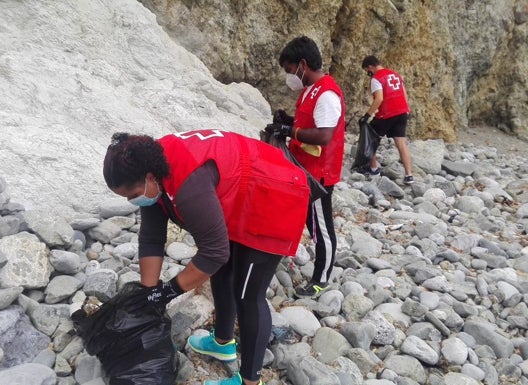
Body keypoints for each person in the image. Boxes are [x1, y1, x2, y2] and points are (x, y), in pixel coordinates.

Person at [102, 129, 309, 385]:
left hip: (274, 195)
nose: (134, 201)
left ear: (148, 178)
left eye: (133, 195)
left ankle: (250, 382)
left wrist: (167, 292)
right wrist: (148, 293)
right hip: (240, 193)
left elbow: (214, 252)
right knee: (222, 272)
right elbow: (151, 239)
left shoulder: (188, 182)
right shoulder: (153, 171)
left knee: (248, 294)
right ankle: (222, 343)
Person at [264, 36, 346, 299]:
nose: (290, 76)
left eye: (290, 70)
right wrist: (287, 120)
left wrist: (289, 130)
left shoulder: (327, 94)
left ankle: (321, 278)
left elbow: (323, 135)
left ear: (302, 64)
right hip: (303, 167)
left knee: (320, 226)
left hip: (319, 173)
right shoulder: (311, 90)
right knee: (300, 217)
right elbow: (307, 123)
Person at [359, 55, 414, 184]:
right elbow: (404, 94)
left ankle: (373, 168)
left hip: (387, 114)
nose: (368, 73)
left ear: (371, 66)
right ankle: (409, 175)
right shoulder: (395, 75)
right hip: (402, 112)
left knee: (369, 137)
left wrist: (367, 115)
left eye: (367, 70)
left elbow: (379, 99)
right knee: (401, 143)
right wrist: (406, 109)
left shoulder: (376, 78)